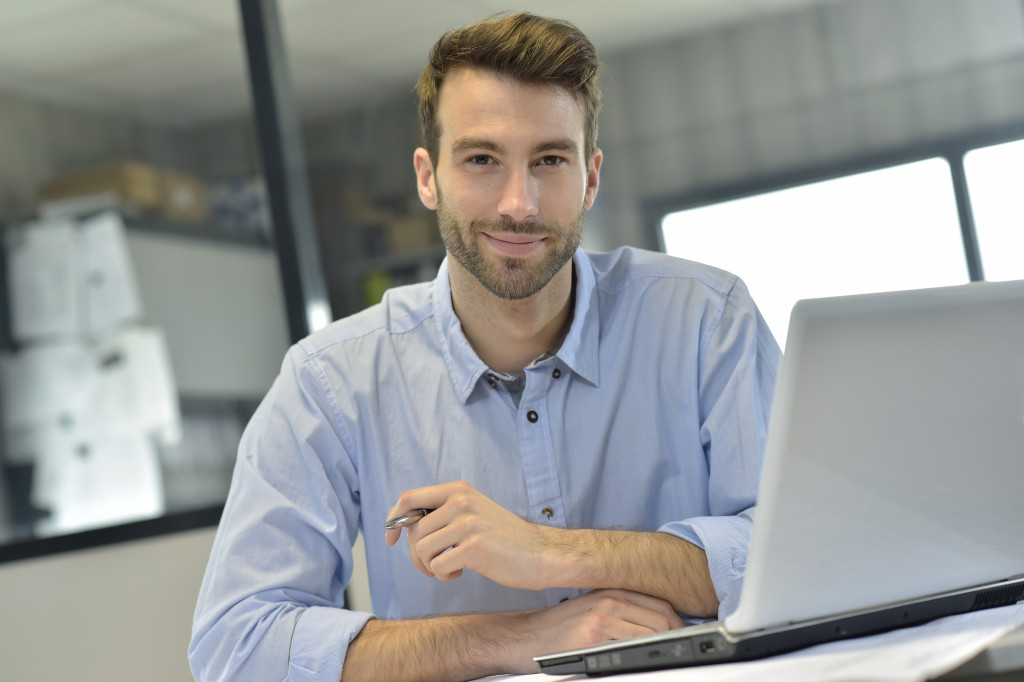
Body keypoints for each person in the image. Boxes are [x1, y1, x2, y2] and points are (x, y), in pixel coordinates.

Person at [189, 11, 780, 682]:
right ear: (427, 177)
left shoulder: (707, 318)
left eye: (549, 160)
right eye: (481, 159)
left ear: (590, 177)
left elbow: (794, 556)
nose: (519, 203)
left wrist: (556, 554)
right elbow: (237, 646)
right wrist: (521, 637)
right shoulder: (330, 381)